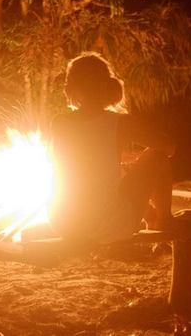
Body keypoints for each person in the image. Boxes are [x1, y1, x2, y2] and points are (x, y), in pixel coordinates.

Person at [48, 52, 175, 243]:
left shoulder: (58, 123)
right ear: (106, 86)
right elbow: (168, 147)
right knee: (157, 156)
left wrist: (123, 160)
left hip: (63, 222)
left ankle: (152, 218)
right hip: (106, 226)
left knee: (117, 173)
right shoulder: (120, 122)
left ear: (71, 87)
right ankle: (164, 219)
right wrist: (139, 159)